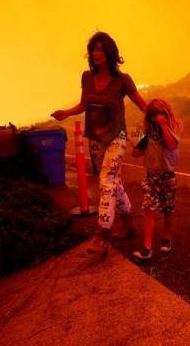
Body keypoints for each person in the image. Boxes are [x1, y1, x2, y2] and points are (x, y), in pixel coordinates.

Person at [51, 32, 147, 256]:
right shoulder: (86, 77)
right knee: (114, 182)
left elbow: (144, 107)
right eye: (93, 49)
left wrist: (147, 133)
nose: (95, 53)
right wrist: (66, 113)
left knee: (106, 180)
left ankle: (102, 234)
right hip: (96, 140)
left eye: (101, 49)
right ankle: (129, 224)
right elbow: (84, 104)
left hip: (117, 137)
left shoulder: (123, 80)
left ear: (110, 53)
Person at [132, 98, 182, 261]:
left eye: (159, 114)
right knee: (149, 208)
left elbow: (171, 145)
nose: (156, 118)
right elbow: (136, 153)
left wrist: (163, 125)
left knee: (168, 209)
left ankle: (166, 236)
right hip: (151, 176)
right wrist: (139, 143)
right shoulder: (147, 132)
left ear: (166, 113)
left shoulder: (172, 127)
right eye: (152, 115)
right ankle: (147, 248)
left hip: (167, 175)